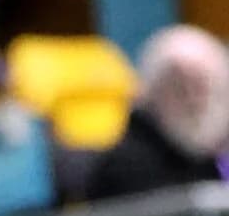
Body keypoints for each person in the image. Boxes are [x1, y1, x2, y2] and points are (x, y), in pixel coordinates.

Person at [83, 25, 229, 203]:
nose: (194, 101)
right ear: (153, 91)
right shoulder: (127, 165)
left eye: (203, 87)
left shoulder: (200, 152)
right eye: (180, 89)